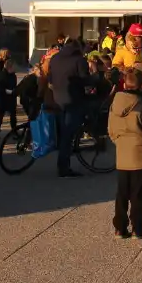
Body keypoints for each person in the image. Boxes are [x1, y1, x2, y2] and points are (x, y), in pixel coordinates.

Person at [108, 68, 142, 239]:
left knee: (122, 193)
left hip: (122, 153)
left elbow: (111, 130)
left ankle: (119, 228)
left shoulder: (115, 103)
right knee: (140, 193)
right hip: (140, 154)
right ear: (141, 85)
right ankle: (138, 227)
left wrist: (119, 142)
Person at [49, 38, 90, 178]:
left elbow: (50, 79)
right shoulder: (79, 60)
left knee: (62, 133)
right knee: (68, 135)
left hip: (57, 99)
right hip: (73, 101)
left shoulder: (54, 58)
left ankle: (63, 160)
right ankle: (63, 167)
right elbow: (85, 80)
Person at [0, 60, 19, 139]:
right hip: (3, 98)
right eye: (13, 67)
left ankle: (14, 131)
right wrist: (7, 91)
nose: (14, 69)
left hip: (11, 98)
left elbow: (14, 84)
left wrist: (14, 91)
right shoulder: (1, 75)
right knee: (0, 116)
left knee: (13, 117)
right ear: (9, 67)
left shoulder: (13, 75)